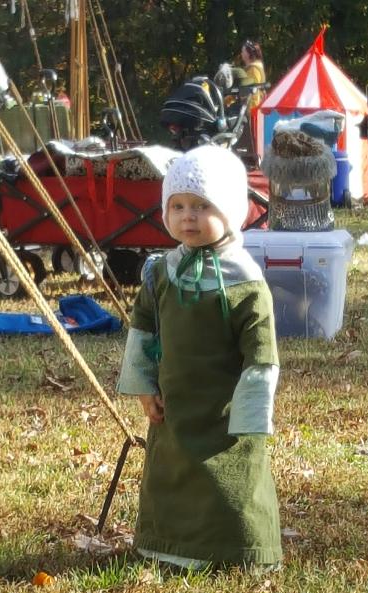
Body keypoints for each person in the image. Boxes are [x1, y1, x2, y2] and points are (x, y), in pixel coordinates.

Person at [117, 144, 282, 569]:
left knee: (231, 480)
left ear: (229, 209)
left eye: (201, 206)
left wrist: (251, 412)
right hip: (173, 404)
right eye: (178, 206)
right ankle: (166, 544)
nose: (187, 217)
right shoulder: (161, 272)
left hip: (224, 411)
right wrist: (144, 386)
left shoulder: (245, 282)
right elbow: (143, 328)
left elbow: (261, 354)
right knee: (169, 470)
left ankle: (238, 549)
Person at [240, 39, 267, 110]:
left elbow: (254, 92)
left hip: (252, 109)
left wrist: (252, 111)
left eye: (243, 51)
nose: (241, 54)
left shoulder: (254, 69)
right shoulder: (253, 68)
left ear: (248, 54)